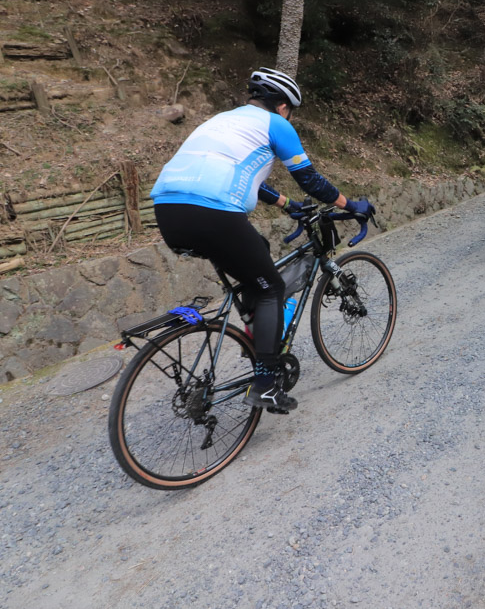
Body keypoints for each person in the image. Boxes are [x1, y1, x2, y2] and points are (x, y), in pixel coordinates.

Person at [150, 67, 373, 414]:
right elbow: (311, 180)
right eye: (290, 111)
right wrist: (351, 205)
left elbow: (236, 171)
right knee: (270, 288)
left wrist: (287, 205)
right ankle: (266, 383)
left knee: (259, 256)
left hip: (167, 211)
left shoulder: (221, 121)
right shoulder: (277, 125)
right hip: (213, 212)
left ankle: (257, 336)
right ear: (283, 106)